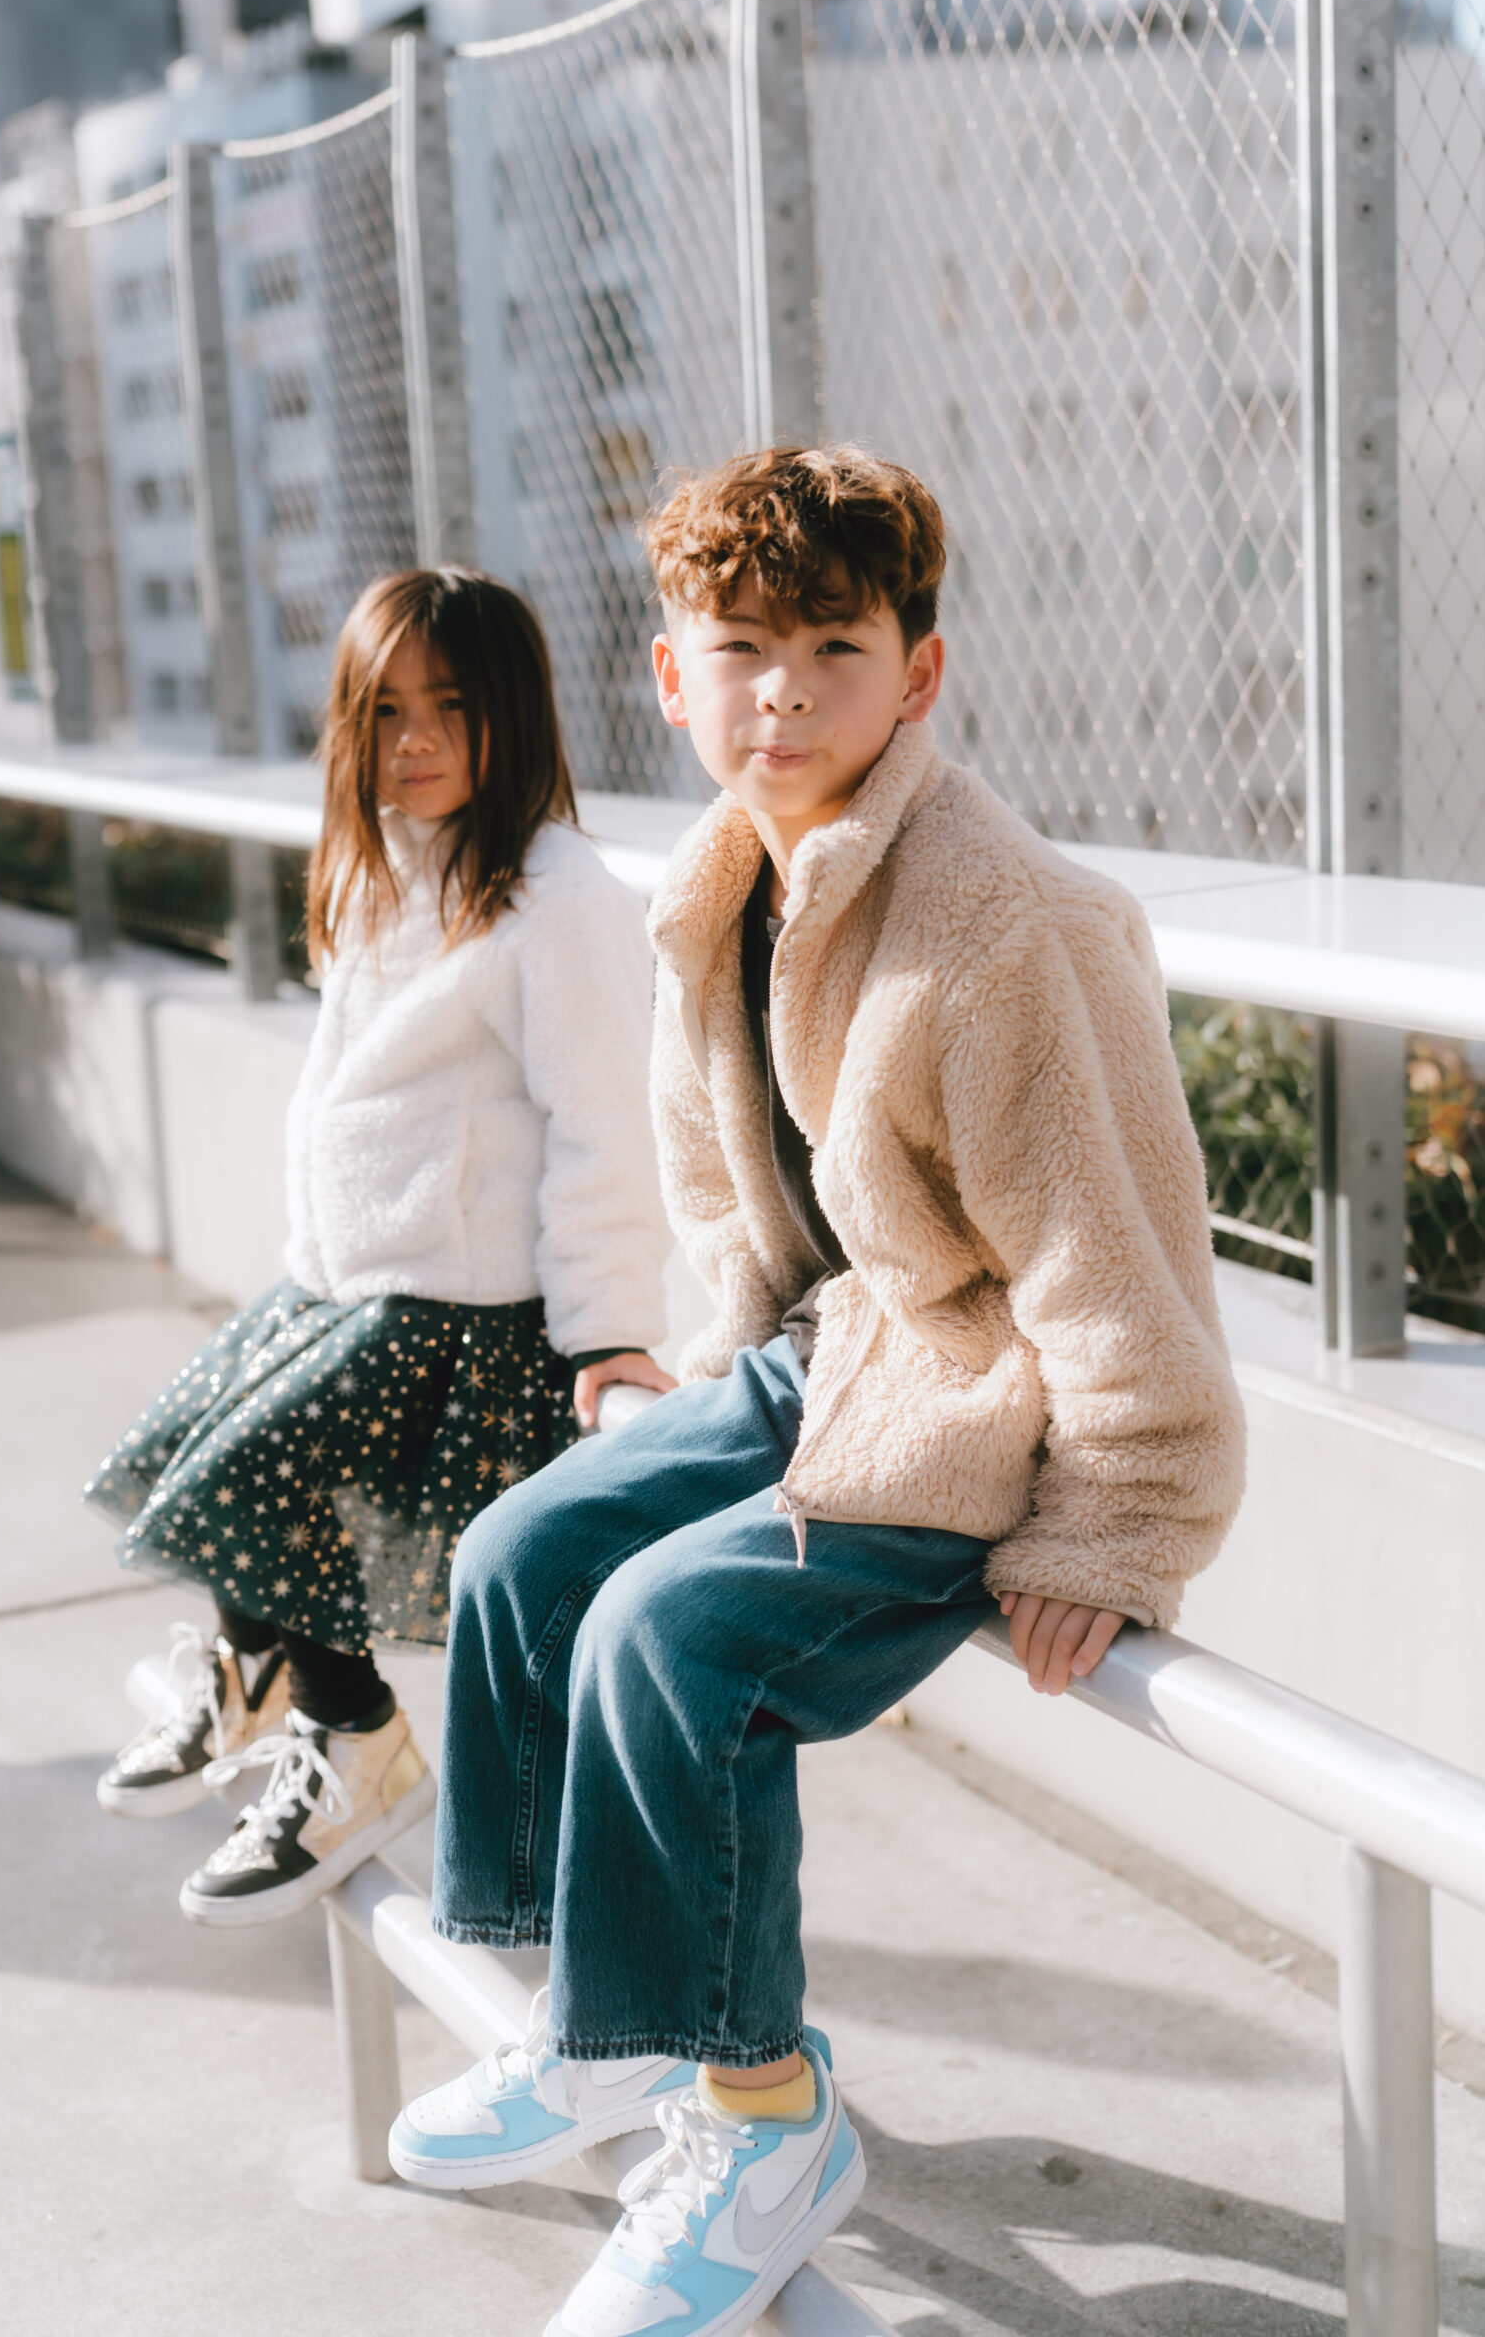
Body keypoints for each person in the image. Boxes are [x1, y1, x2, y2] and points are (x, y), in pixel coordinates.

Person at [387, 448, 1246, 2337]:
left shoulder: (1006, 924)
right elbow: (734, 1184)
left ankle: (767, 2126)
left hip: (974, 1400)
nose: (782, 694)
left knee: (670, 1639)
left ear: (917, 674)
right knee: (524, 1556)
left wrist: (1120, 1523)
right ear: (670, 676)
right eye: (742, 650)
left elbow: (1117, 1252)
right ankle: (599, 2023)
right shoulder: (721, 882)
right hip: (816, 1356)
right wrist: (717, 1365)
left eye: (835, 650)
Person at [85, 568, 671, 1928]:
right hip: (355, 1287)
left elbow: (606, 1124)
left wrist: (606, 1328)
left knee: (246, 1474)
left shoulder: (557, 897)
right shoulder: (382, 868)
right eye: (384, 710)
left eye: (450, 707)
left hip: (467, 1312)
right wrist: (307, 1272)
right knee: (193, 1442)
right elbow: (337, 1103)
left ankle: (355, 1738)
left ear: (512, 712)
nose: (414, 741)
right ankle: (254, 1679)